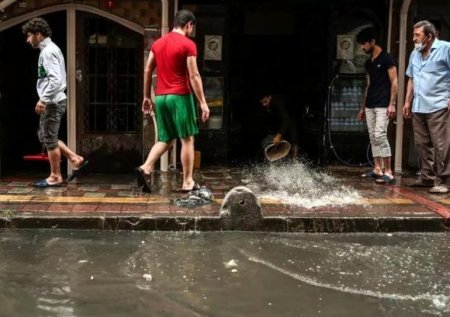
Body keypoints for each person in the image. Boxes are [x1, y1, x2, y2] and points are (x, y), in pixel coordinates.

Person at [136, 9, 209, 193]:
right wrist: (202, 102)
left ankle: (146, 167)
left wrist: (146, 97)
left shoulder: (158, 43)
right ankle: (187, 182)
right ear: (189, 25)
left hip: (161, 97)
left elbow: (147, 70)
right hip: (180, 97)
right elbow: (193, 75)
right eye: (192, 27)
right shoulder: (188, 44)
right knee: (187, 139)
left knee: (166, 138)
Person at [22, 17, 87, 188]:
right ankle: (75, 158)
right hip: (54, 101)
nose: (28, 40)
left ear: (39, 34)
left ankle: (55, 176)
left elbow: (56, 80)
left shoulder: (48, 51)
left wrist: (44, 99)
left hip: (53, 101)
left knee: (49, 139)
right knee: (44, 136)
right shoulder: (49, 50)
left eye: (29, 36)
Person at [403, 20, 450, 193]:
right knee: (422, 144)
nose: (413, 38)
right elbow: (411, 78)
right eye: (413, 34)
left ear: (429, 36)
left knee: (441, 144)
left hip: (438, 105)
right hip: (418, 105)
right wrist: (408, 101)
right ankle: (427, 177)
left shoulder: (446, 48)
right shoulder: (414, 54)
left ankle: (445, 180)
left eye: (417, 35)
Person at [356, 27, 398, 184]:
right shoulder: (369, 63)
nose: (362, 47)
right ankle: (377, 169)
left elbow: (395, 81)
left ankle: (389, 171)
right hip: (370, 104)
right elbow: (369, 84)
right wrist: (362, 107)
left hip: (383, 103)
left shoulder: (386, 58)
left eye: (364, 44)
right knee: (373, 137)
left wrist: (392, 104)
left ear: (372, 42)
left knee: (380, 135)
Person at [259, 91, 299, 159]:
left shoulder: (278, 102)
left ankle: (295, 160)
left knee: (293, 139)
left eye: (265, 101)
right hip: (280, 121)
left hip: (290, 119)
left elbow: (286, 119)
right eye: (262, 102)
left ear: (269, 97)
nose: (264, 104)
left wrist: (278, 135)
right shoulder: (268, 104)